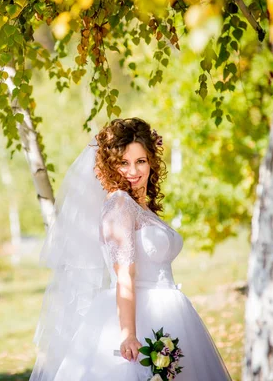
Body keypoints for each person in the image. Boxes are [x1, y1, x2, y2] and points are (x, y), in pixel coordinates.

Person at [29, 118, 231, 381]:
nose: (133, 170)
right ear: (111, 165)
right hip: (135, 315)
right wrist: (128, 334)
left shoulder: (140, 207)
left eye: (141, 161)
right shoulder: (120, 205)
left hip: (169, 312)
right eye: (123, 162)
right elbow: (125, 275)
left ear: (151, 161)